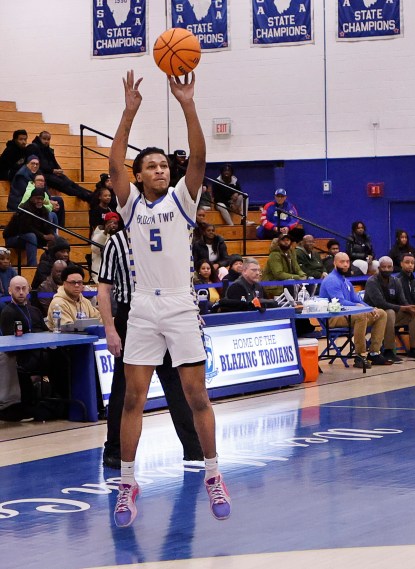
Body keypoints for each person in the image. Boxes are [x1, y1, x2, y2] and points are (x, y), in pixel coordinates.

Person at [109, 70, 230, 527]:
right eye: (152, 166)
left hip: (180, 304)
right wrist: (128, 114)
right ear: (139, 176)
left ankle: (214, 474)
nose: (160, 169)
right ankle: (127, 483)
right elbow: (113, 164)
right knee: (133, 399)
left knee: (196, 395)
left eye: (164, 165)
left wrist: (187, 103)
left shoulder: (183, 199)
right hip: (142, 306)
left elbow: (199, 155)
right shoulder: (131, 204)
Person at [98, 227, 203, 470]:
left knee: (177, 384)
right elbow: (104, 289)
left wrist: (191, 311)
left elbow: (182, 279)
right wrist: (110, 328)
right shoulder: (116, 242)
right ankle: (114, 450)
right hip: (131, 315)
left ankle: (193, 448)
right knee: (124, 389)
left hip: (166, 310)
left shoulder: (166, 236)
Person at [319, 252, 391, 368]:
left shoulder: (346, 281)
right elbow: (340, 302)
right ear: (335, 263)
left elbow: (356, 299)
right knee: (360, 315)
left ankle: (374, 353)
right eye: (342, 262)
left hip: (348, 315)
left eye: (347, 262)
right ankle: (360, 355)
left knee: (381, 313)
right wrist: (359, 307)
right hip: (332, 318)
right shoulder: (332, 280)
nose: (346, 265)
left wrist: (370, 308)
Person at [0, 276, 49, 408]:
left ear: (29, 290)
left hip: (42, 352)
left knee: (64, 357)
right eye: (17, 289)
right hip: (24, 357)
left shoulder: (35, 310)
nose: (21, 292)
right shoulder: (8, 312)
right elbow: (11, 343)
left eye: (23, 288)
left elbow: (48, 333)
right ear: (10, 291)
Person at [363, 256, 415, 363]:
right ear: (379, 268)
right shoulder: (372, 281)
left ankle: (414, 348)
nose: (386, 269)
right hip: (374, 315)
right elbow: (380, 304)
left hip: (392, 315)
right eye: (384, 267)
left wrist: (410, 308)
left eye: (389, 267)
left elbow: (402, 300)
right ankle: (389, 350)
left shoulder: (396, 281)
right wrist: (403, 307)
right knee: (389, 313)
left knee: (414, 313)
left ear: (392, 268)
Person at [26, 131, 92, 202]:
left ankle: (91, 194)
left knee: (70, 182)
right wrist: (53, 171)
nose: (46, 141)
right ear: (39, 138)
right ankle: (86, 197)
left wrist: (59, 170)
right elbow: (38, 166)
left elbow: (54, 162)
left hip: (51, 173)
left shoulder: (49, 150)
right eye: (44, 139)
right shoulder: (34, 147)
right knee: (63, 184)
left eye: (48, 139)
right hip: (42, 174)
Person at [3, 187, 56, 266]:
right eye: (38, 198)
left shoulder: (43, 210)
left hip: (34, 238)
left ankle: (55, 264)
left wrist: (51, 234)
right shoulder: (24, 209)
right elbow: (25, 229)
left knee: (57, 238)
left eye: (42, 199)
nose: (40, 201)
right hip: (14, 237)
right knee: (31, 236)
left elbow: (47, 225)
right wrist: (43, 236)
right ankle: (32, 266)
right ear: (32, 198)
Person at [262, 233, 307, 298]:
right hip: (273, 284)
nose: (286, 242)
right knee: (291, 282)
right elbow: (278, 274)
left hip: (285, 283)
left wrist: (303, 275)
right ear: (279, 242)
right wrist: (297, 277)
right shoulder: (275, 254)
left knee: (308, 281)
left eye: (288, 240)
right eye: (283, 240)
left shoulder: (291, 252)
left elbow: (297, 268)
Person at [91, 212, 121, 283]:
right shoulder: (98, 235)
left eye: (115, 223)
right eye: (110, 223)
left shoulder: (119, 236)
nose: (113, 225)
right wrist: (105, 233)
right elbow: (95, 249)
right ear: (105, 224)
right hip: (99, 272)